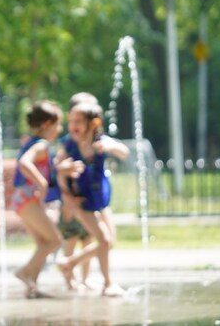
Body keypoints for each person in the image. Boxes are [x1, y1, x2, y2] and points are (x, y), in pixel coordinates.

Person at [56, 102, 129, 297]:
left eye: (78, 121)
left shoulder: (100, 142)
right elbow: (57, 168)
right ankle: (107, 283)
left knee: (108, 242)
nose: (73, 125)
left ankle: (70, 263)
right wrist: (64, 172)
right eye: (70, 121)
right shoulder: (70, 145)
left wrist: (111, 145)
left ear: (93, 123)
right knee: (103, 240)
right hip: (81, 201)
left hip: (100, 200)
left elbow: (124, 152)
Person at [11, 100, 69, 299]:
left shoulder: (34, 143)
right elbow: (24, 163)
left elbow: (43, 166)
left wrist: (60, 169)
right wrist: (42, 184)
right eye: (58, 124)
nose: (60, 129)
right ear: (46, 125)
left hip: (21, 199)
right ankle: (24, 272)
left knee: (43, 243)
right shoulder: (42, 144)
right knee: (54, 240)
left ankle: (32, 287)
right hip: (28, 198)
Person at [55, 92, 100, 291]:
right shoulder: (68, 143)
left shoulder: (93, 141)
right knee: (71, 239)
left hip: (87, 201)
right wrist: (66, 197)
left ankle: (86, 277)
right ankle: (69, 279)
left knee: (88, 239)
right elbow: (58, 168)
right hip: (72, 201)